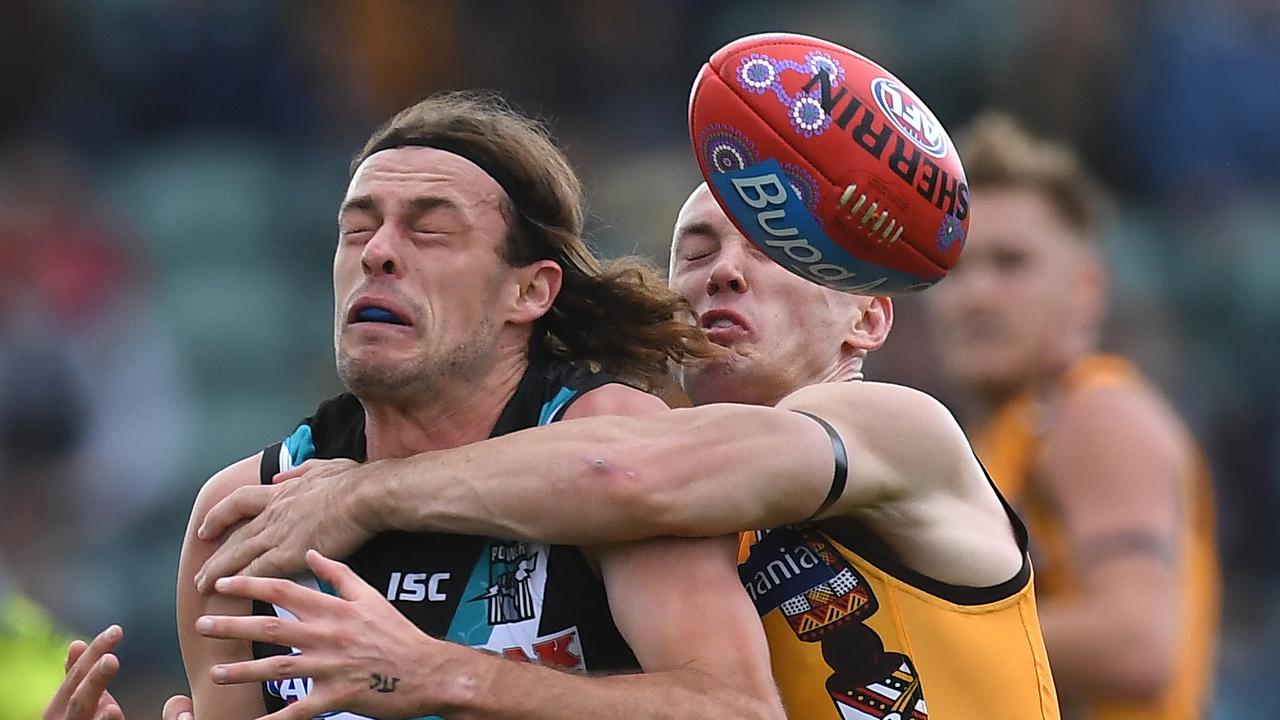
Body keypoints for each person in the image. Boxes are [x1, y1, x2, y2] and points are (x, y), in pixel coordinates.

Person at [197, 181, 1062, 719]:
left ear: (868, 317)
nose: (722, 271)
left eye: (771, 249)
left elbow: (629, 471)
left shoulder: (898, 428)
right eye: (697, 249)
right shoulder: (640, 525)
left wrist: (364, 494)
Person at [51, 91, 785, 720]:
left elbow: (741, 709)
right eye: (358, 227)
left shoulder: (613, 442)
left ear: (527, 292)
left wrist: (447, 677)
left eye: (429, 229)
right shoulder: (242, 510)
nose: (378, 253)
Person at [922, 114, 1220, 719]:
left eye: (1010, 264)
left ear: (1086, 288)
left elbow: (1136, 641)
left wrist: (921, 635)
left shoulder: (1096, 412)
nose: (976, 294)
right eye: (955, 268)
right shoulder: (1008, 431)